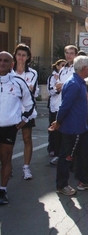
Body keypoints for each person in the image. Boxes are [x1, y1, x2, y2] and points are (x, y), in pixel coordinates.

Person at [49, 55, 88, 196]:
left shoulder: (80, 82)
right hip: (72, 129)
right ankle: (61, 185)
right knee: (67, 157)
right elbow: (64, 106)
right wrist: (58, 122)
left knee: (85, 154)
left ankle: (85, 180)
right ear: (84, 68)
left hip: (81, 128)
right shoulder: (73, 84)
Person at [0, 51, 35, 204]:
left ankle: (2, 190)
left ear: (11, 64)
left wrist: (25, 118)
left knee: (6, 160)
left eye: (5, 61)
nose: (2, 63)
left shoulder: (18, 82)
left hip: (8, 128)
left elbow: (30, 103)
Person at [12, 44, 39, 180]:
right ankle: (7, 166)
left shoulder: (32, 73)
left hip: (26, 111)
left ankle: (26, 168)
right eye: (19, 54)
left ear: (28, 57)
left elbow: (30, 92)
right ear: (15, 56)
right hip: (10, 111)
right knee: (7, 141)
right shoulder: (9, 72)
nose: (21, 58)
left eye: (24, 55)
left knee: (27, 139)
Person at [47, 59, 67, 164]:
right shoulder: (52, 77)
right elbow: (50, 91)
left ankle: (60, 152)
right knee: (53, 129)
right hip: (54, 107)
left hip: (62, 107)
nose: (63, 67)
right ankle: (52, 148)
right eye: (62, 65)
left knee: (61, 131)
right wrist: (57, 89)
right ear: (57, 66)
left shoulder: (65, 76)